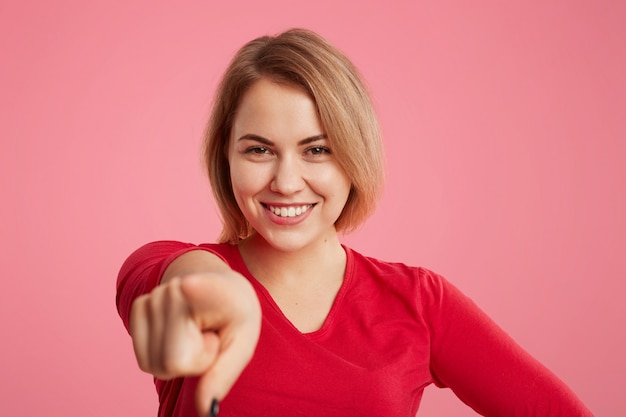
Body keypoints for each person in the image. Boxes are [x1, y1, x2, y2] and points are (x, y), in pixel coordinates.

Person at [116, 28, 594, 417]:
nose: (286, 181)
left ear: (353, 158)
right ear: (226, 158)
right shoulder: (182, 273)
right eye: (259, 150)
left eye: (316, 150)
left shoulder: (419, 303)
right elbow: (161, 276)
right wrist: (215, 290)